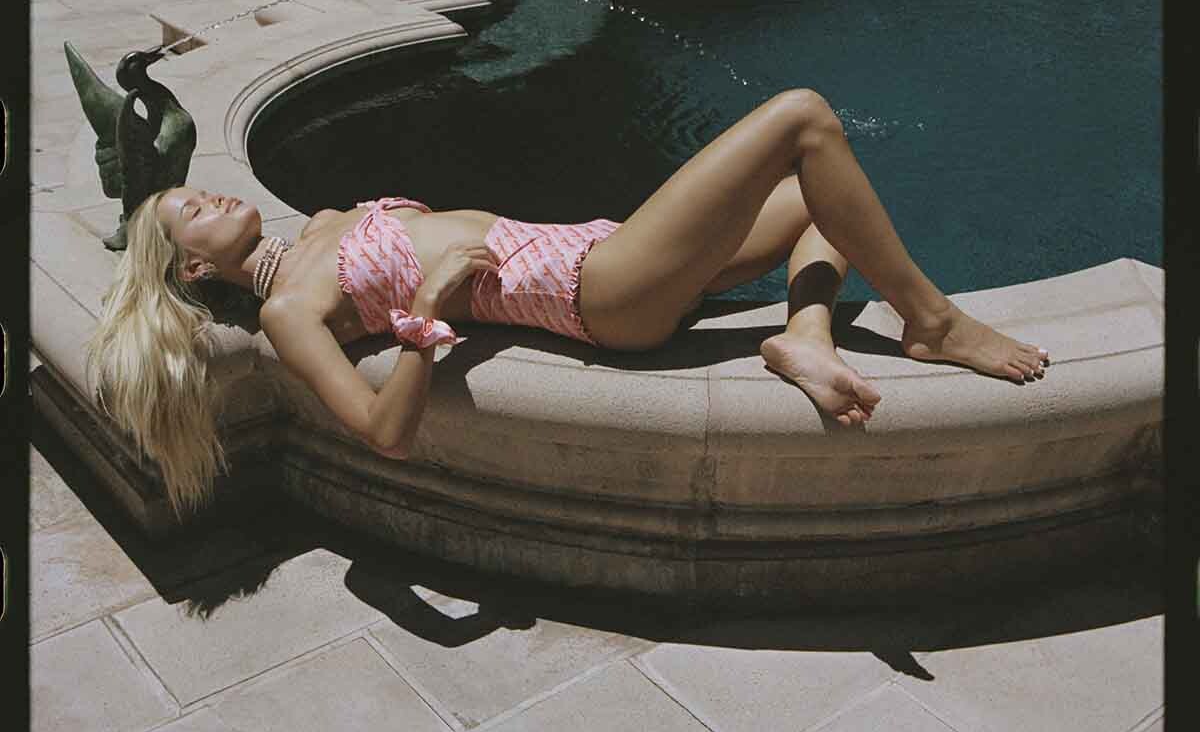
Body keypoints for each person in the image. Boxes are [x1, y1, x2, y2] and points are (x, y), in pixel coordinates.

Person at [87, 88, 1049, 517]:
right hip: (597, 294)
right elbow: (384, 433)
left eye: (196, 189)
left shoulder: (326, 224)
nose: (209, 197)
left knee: (825, 189)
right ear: (195, 271)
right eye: (190, 214)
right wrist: (427, 308)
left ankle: (802, 332)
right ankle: (931, 323)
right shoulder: (292, 310)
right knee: (802, 116)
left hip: (601, 247)